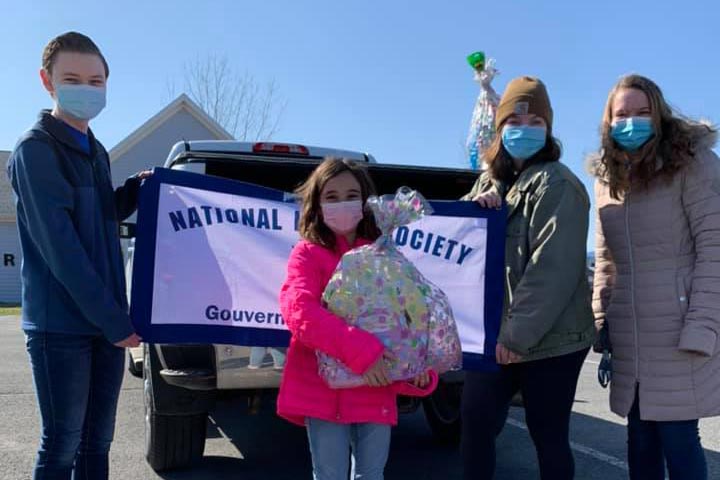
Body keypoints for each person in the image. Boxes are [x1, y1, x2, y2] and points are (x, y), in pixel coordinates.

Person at [7, 31, 149, 479]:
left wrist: (134, 192)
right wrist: (115, 320)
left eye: (95, 81)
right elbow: (62, 249)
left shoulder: (96, 150)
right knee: (62, 444)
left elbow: (98, 215)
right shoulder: (36, 149)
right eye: (72, 78)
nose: (86, 90)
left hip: (103, 324)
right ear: (47, 81)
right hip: (61, 327)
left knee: (97, 443)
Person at [460, 76, 594, 479]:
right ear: (500, 129)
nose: (525, 128)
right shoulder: (490, 182)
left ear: (549, 129)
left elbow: (552, 269)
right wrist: (475, 207)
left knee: (547, 436)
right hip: (498, 336)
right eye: (516, 120)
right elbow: (460, 241)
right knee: (475, 425)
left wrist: (516, 337)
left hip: (552, 339)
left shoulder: (559, 184)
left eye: (537, 120)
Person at [590, 74, 720, 480]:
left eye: (642, 113)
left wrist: (702, 325)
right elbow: (606, 258)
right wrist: (602, 318)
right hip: (631, 333)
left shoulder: (691, 162)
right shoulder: (607, 178)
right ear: (609, 122)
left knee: (679, 440)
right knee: (640, 443)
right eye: (622, 114)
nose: (632, 122)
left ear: (659, 115)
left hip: (678, 327)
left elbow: (714, 246)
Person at [277, 158, 434, 480]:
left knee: (371, 475)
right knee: (329, 475)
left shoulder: (383, 255)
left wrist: (418, 364)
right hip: (321, 389)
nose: (342, 204)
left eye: (351, 195)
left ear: (365, 202)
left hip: (375, 386)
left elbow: (407, 316)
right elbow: (300, 312)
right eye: (331, 197)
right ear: (317, 206)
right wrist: (363, 352)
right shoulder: (307, 253)